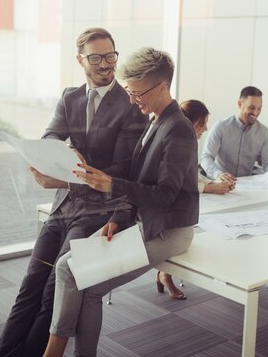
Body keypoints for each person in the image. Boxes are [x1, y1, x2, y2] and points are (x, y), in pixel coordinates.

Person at [0, 28, 147, 357]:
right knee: (31, 283)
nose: (106, 64)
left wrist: (67, 178)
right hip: (64, 205)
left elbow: (122, 170)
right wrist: (53, 155)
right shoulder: (70, 97)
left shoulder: (130, 105)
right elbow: (51, 134)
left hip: (98, 209)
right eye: (96, 57)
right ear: (81, 60)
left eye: (111, 55)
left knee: (53, 292)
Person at [42, 47, 199, 357]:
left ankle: (53, 353)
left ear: (162, 87)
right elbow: (139, 181)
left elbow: (165, 195)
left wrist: (112, 185)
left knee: (84, 281)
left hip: (169, 230)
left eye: (136, 92)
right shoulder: (155, 120)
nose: (132, 99)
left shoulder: (178, 130)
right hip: (143, 222)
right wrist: (116, 217)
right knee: (66, 268)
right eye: (128, 91)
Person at [156, 99, 235, 300]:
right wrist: (210, 187)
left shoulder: (189, 140)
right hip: (168, 208)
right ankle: (165, 273)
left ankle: (165, 274)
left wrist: (215, 180)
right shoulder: (178, 139)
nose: (206, 128)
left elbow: (192, 174)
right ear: (190, 123)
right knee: (184, 233)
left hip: (184, 206)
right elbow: (179, 181)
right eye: (202, 123)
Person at [200, 86, 268, 183]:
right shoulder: (221, 127)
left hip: (247, 184)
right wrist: (218, 174)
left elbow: (267, 162)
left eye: (259, 108)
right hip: (221, 183)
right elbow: (206, 157)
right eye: (251, 108)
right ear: (240, 104)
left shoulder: (264, 132)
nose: (256, 112)